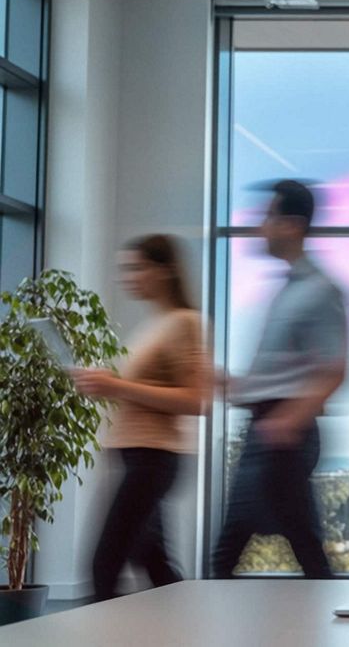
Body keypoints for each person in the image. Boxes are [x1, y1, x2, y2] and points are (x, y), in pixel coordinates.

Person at [211, 180, 348, 579]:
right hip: (267, 431)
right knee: (301, 549)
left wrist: (287, 421)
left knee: (229, 555)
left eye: (268, 217)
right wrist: (231, 386)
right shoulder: (286, 291)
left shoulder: (320, 291)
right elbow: (279, 376)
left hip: (284, 438)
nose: (260, 226)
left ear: (292, 225)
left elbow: (335, 369)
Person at [75, 235, 207, 602]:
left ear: (164, 271)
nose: (127, 277)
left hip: (154, 458)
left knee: (105, 565)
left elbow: (196, 400)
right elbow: (134, 390)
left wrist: (116, 386)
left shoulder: (185, 323)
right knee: (154, 564)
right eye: (124, 269)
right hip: (137, 457)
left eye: (136, 268)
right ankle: (185, 627)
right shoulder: (153, 325)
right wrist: (105, 384)